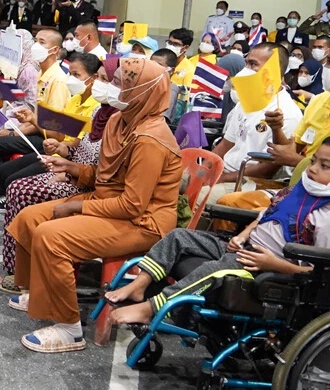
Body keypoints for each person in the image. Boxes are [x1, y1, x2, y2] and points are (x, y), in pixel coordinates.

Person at [7, 59, 182, 353]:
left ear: (141, 92)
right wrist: (73, 168)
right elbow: (105, 178)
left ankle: (69, 329)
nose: (111, 88)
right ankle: (39, 293)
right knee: (30, 218)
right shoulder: (118, 121)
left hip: (142, 223)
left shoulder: (151, 138)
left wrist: (76, 208)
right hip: (108, 203)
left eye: (121, 84)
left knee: (52, 237)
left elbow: (132, 205)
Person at [107, 137, 330, 326]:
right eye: (313, 161)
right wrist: (242, 236)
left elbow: (318, 273)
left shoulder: (325, 215)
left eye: (324, 166)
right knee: (179, 236)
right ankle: (140, 285)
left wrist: (272, 264)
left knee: (215, 269)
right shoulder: (295, 191)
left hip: (269, 269)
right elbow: (266, 217)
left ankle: (151, 308)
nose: (311, 168)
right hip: (245, 247)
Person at [0, 57, 119, 293]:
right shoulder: (99, 114)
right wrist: (61, 151)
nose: (100, 85)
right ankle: (17, 269)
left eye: (105, 80)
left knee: (25, 192)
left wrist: (69, 169)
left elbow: (106, 174)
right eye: (100, 79)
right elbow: (78, 144)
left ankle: (30, 275)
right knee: (15, 187)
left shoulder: (119, 122)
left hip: (87, 185)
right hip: (73, 168)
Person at [0, 51, 100, 214]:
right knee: (3, 170)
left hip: (69, 160)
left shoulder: (96, 108)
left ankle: (11, 204)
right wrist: (35, 122)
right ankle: (5, 199)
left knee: (11, 179)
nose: (71, 79)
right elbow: (59, 133)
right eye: (71, 74)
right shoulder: (75, 99)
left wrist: (57, 147)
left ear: (94, 78)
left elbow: (77, 145)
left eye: (77, 75)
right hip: (57, 151)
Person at [0, 28, 70, 211]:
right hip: (38, 129)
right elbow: (38, 116)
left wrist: (15, 131)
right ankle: (1, 194)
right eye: (36, 40)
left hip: (48, 140)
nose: (37, 46)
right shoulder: (42, 75)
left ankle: (5, 197)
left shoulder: (57, 80)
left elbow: (55, 129)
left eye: (42, 42)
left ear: (54, 50)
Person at [204, 44, 301, 204]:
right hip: (224, 170)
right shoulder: (247, 101)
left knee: (199, 197)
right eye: (247, 63)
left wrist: (221, 179)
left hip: (248, 181)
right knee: (175, 181)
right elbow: (226, 144)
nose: (245, 70)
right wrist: (205, 169)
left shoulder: (287, 113)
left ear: (273, 71)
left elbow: (266, 170)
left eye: (253, 64)